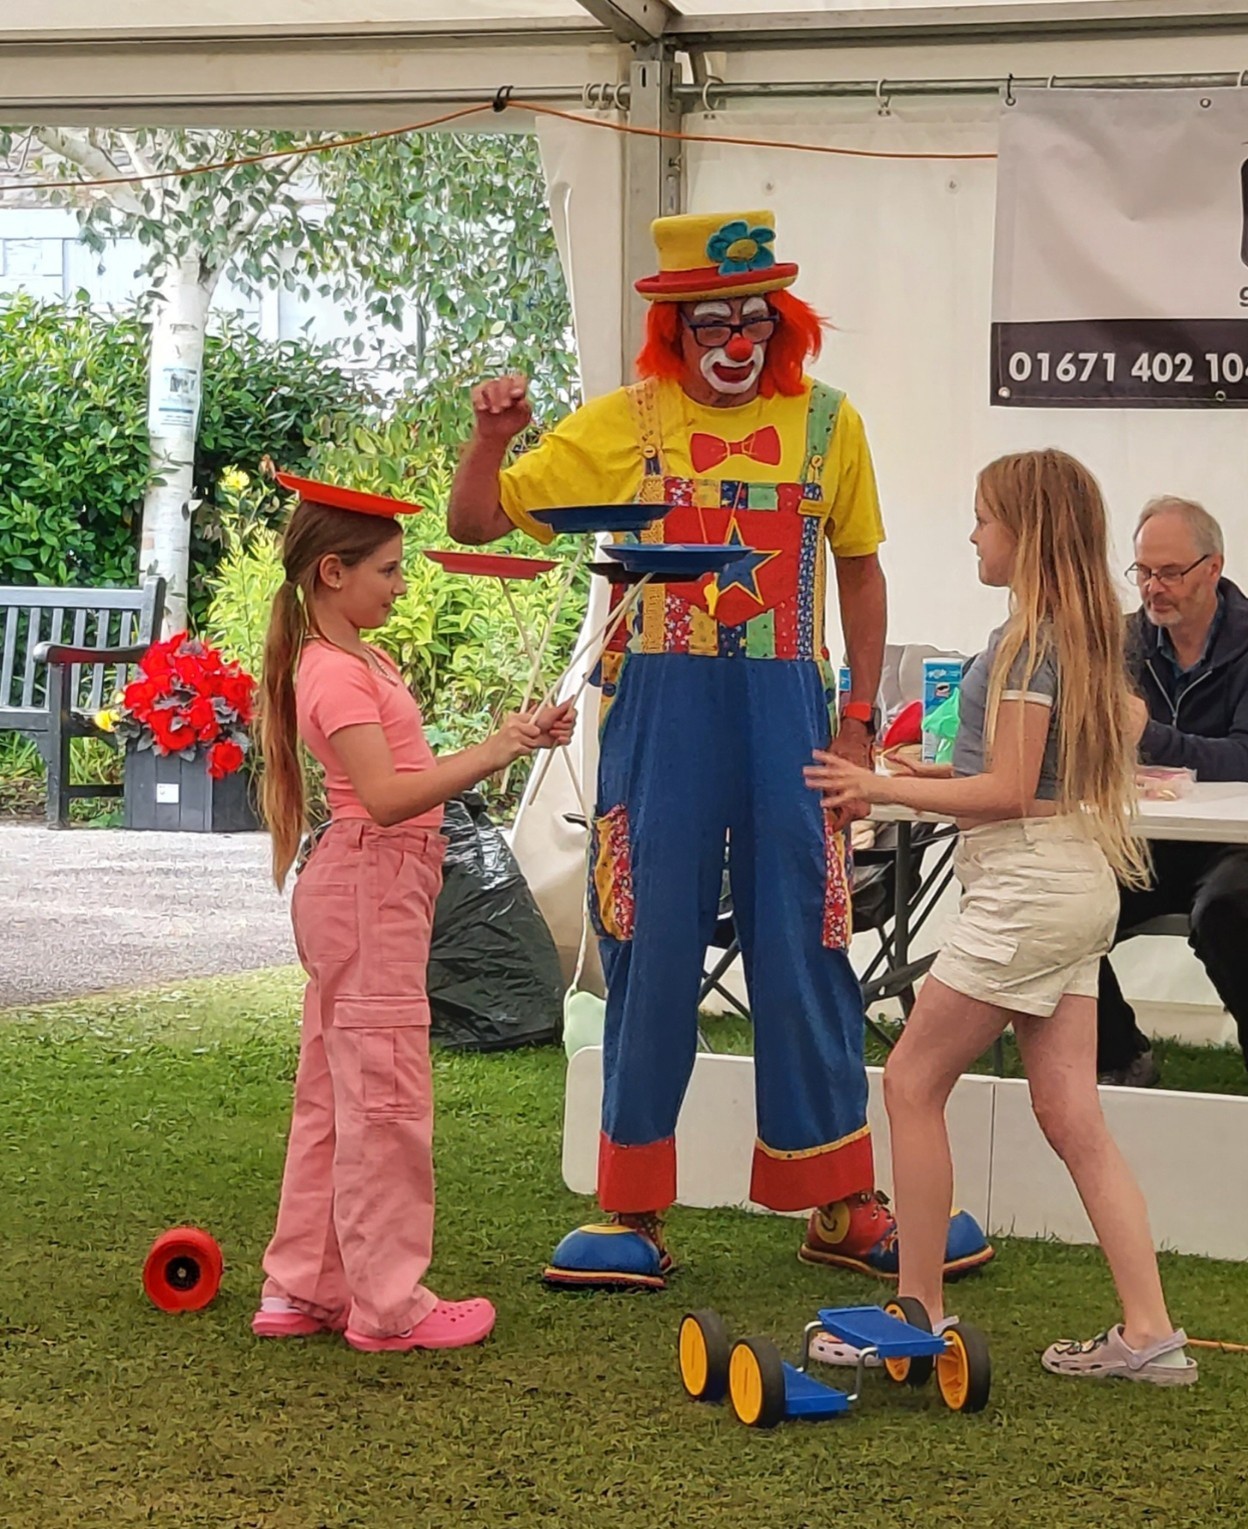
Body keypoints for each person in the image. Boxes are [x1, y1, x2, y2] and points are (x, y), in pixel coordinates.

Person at [447, 208, 991, 1291]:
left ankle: (838, 1199)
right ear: (676, 330)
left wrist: (851, 719)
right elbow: (473, 524)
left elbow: (861, 569)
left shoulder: (830, 424)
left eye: (752, 318)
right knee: (647, 932)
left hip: (791, 714)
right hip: (660, 709)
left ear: (778, 322)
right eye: (711, 323)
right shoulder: (621, 421)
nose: (734, 342)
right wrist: (495, 437)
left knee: (809, 932)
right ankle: (631, 1204)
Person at [807, 449, 1197, 1386]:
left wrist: (872, 780)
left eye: (983, 518)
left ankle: (916, 1312)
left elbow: (1014, 787)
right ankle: (1149, 1331)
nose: (973, 534)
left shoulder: (1028, 640)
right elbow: (1025, 777)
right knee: (1072, 1115)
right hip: (1069, 883)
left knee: (909, 1081)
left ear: (1023, 531)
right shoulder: (1077, 634)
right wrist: (915, 781)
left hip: (1025, 890)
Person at [253, 482, 573, 1352]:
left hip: (366, 887)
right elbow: (390, 797)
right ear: (332, 572)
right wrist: (501, 747)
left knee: (335, 1090)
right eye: (387, 570)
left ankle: (302, 1286)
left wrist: (513, 737)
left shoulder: (349, 659)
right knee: (386, 1096)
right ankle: (388, 1303)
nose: (401, 585)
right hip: (372, 889)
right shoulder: (335, 671)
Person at [1099, 496, 1248, 1100]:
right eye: (1142, 572)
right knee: (1066, 902)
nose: (1152, 588)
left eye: (1169, 573)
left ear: (1213, 568)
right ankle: (1121, 1051)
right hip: (1154, 839)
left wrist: (1147, 736)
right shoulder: (1126, 641)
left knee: (1223, 911)